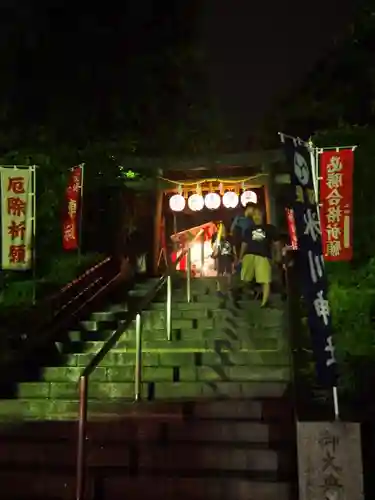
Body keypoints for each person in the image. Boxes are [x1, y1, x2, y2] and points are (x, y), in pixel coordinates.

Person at [238, 206, 281, 307]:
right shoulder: (248, 230)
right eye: (254, 215)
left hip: (263, 256)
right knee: (245, 279)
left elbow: (277, 243)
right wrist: (240, 257)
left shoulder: (270, 228)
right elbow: (244, 244)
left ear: (263, 215)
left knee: (265, 280)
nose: (256, 216)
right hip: (249, 255)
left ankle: (264, 302)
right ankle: (252, 291)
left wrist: (278, 255)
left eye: (258, 214)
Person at [211, 223, 235, 300]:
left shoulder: (230, 238)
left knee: (229, 272)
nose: (222, 229)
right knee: (220, 272)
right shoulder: (216, 237)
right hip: (219, 257)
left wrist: (235, 257)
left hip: (228, 256)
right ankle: (219, 289)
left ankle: (229, 288)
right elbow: (214, 247)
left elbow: (233, 247)